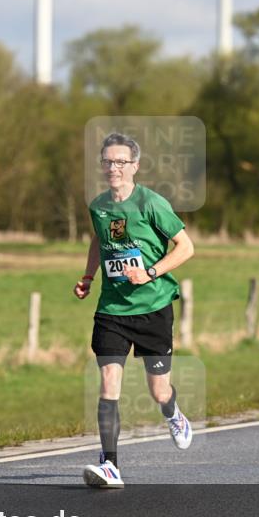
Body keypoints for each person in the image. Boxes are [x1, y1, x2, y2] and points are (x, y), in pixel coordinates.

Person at [74, 132, 195, 488]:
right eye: (108, 161)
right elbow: (99, 238)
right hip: (112, 309)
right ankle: (110, 465)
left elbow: (186, 247)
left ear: (135, 166)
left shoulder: (151, 203)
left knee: (159, 391)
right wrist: (88, 275)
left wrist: (150, 273)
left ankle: (173, 413)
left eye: (121, 162)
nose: (114, 167)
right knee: (109, 383)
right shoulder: (98, 206)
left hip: (153, 307)